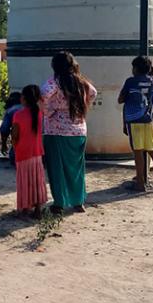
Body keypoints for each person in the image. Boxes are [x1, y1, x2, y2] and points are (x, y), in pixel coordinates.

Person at [41, 51, 97, 214]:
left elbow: (42, 94)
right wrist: (80, 106)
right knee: (76, 168)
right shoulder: (82, 82)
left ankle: (59, 203)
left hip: (56, 130)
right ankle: (78, 201)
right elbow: (93, 93)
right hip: (79, 129)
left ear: (54, 66)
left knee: (57, 168)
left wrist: (51, 109)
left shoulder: (55, 82)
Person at [118, 56, 153, 192]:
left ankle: (140, 183)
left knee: (137, 152)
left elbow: (120, 99)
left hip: (134, 120)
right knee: (152, 150)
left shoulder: (130, 81)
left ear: (135, 69)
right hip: (148, 120)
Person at [11, 85, 47, 218]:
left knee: (24, 181)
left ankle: (25, 207)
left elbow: (15, 135)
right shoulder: (39, 113)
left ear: (24, 98)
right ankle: (38, 208)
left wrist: (13, 146)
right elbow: (43, 102)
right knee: (37, 181)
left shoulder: (18, 115)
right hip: (37, 153)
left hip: (23, 153)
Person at [0, 91, 23, 156]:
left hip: (21, 148)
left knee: (13, 156)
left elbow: (4, 130)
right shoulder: (32, 109)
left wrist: (4, 145)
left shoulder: (10, 111)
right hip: (38, 149)